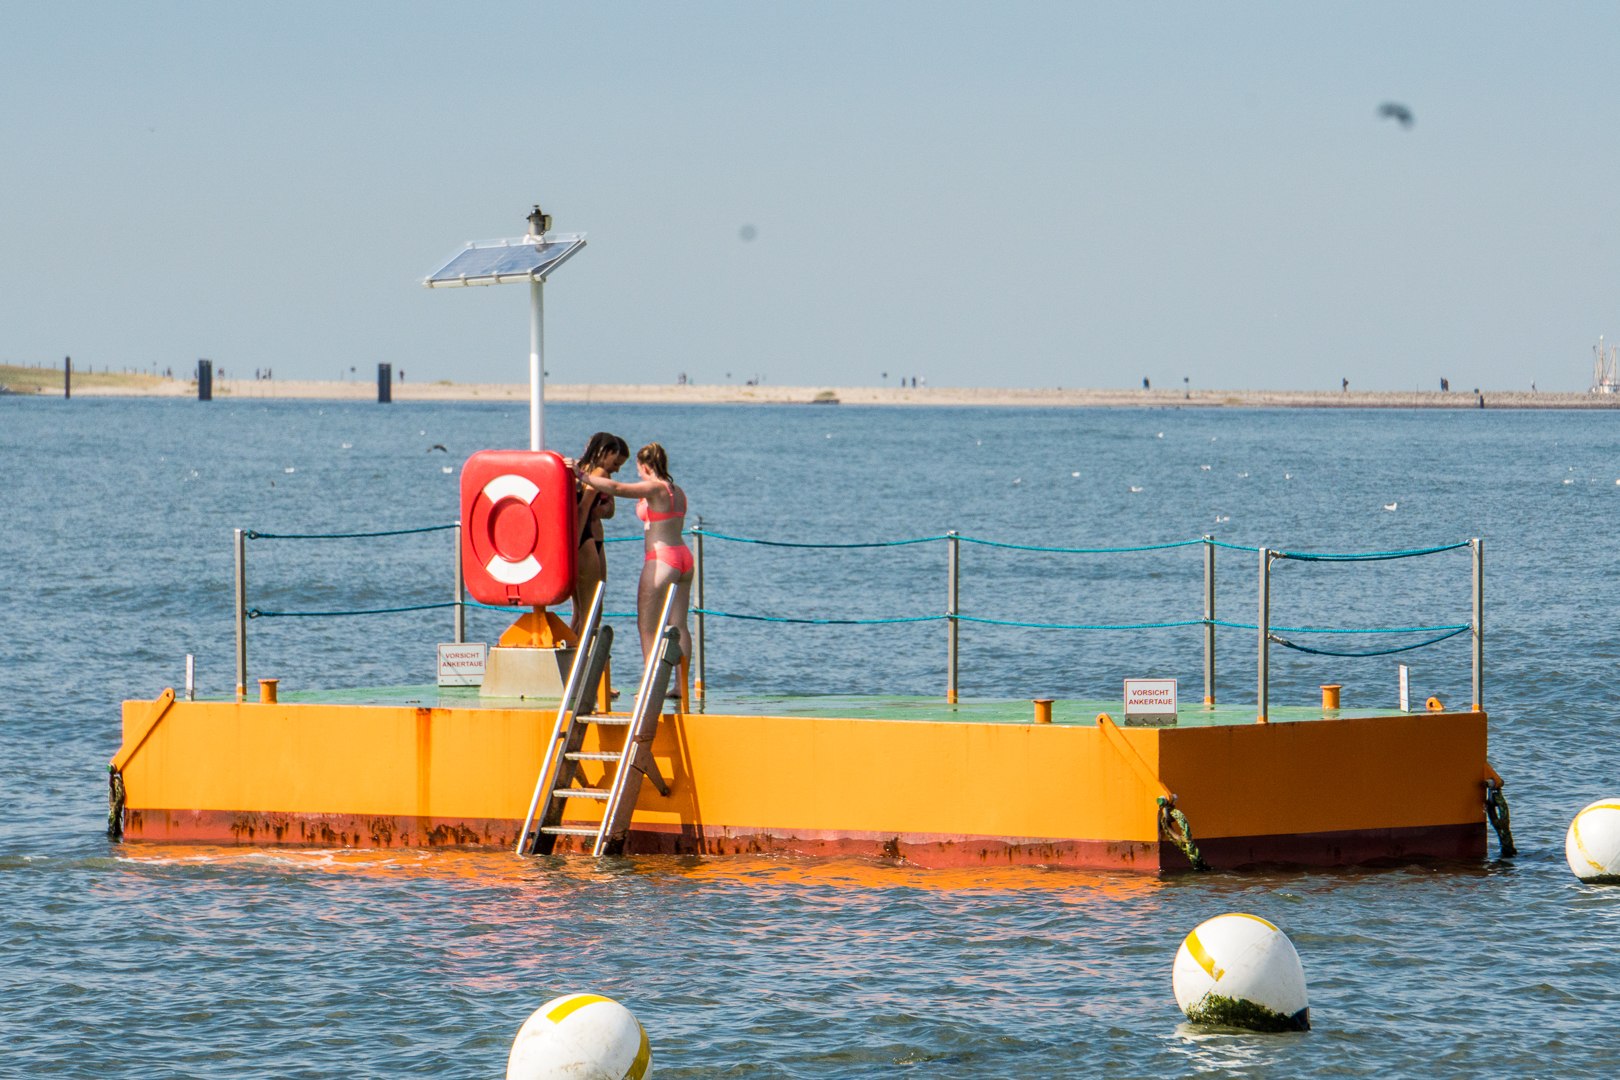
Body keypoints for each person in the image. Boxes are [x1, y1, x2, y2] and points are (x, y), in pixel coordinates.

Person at [577, 442, 693, 678]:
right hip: (684, 557)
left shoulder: (654, 488)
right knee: (679, 624)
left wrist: (581, 476)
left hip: (661, 558)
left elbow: (616, 487)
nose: (637, 474)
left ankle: (649, 682)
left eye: (638, 469)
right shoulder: (677, 491)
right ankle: (680, 686)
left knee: (647, 626)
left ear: (645, 466)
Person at [569, 432, 630, 635]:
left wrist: (602, 510)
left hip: (586, 537)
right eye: (615, 461)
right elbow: (583, 508)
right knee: (593, 610)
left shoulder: (580, 470)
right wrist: (575, 545)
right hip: (586, 538)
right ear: (606, 452)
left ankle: (573, 653)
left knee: (580, 611)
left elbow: (608, 509)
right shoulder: (599, 473)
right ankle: (583, 657)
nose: (616, 469)